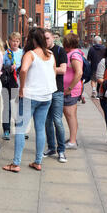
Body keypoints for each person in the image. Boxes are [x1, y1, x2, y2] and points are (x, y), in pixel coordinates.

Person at [3, 27, 56, 173]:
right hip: (46, 97)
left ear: (32, 40)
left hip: (30, 96)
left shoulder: (30, 54)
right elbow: (53, 71)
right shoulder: (50, 54)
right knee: (40, 129)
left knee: (20, 129)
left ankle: (16, 163)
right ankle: (38, 162)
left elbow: (24, 70)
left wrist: (21, 89)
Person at [43, 29, 68, 163]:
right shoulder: (40, 52)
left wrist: (46, 69)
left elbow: (63, 70)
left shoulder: (60, 51)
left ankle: (61, 150)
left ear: (53, 38)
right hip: (44, 91)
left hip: (57, 91)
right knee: (47, 121)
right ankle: (51, 147)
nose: (45, 41)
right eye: (43, 38)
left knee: (57, 121)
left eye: (47, 38)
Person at [1, 32, 23, 140]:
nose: (15, 43)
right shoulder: (6, 53)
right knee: (7, 107)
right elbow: (1, 66)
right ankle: (6, 130)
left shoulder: (22, 53)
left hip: (18, 83)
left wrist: (18, 67)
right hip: (8, 82)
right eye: (13, 41)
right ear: (9, 41)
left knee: (18, 107)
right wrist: (9, 66)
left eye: (17, 41)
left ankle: (19, 129)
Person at [63, 33, 83, 150]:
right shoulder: (74, 53)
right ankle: (72, 138)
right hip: (70, 90)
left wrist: (69, 88)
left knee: (70, 115)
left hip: (70, 91)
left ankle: (72, 141)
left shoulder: (74, 55)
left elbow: (79, 72)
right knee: (72, 115)